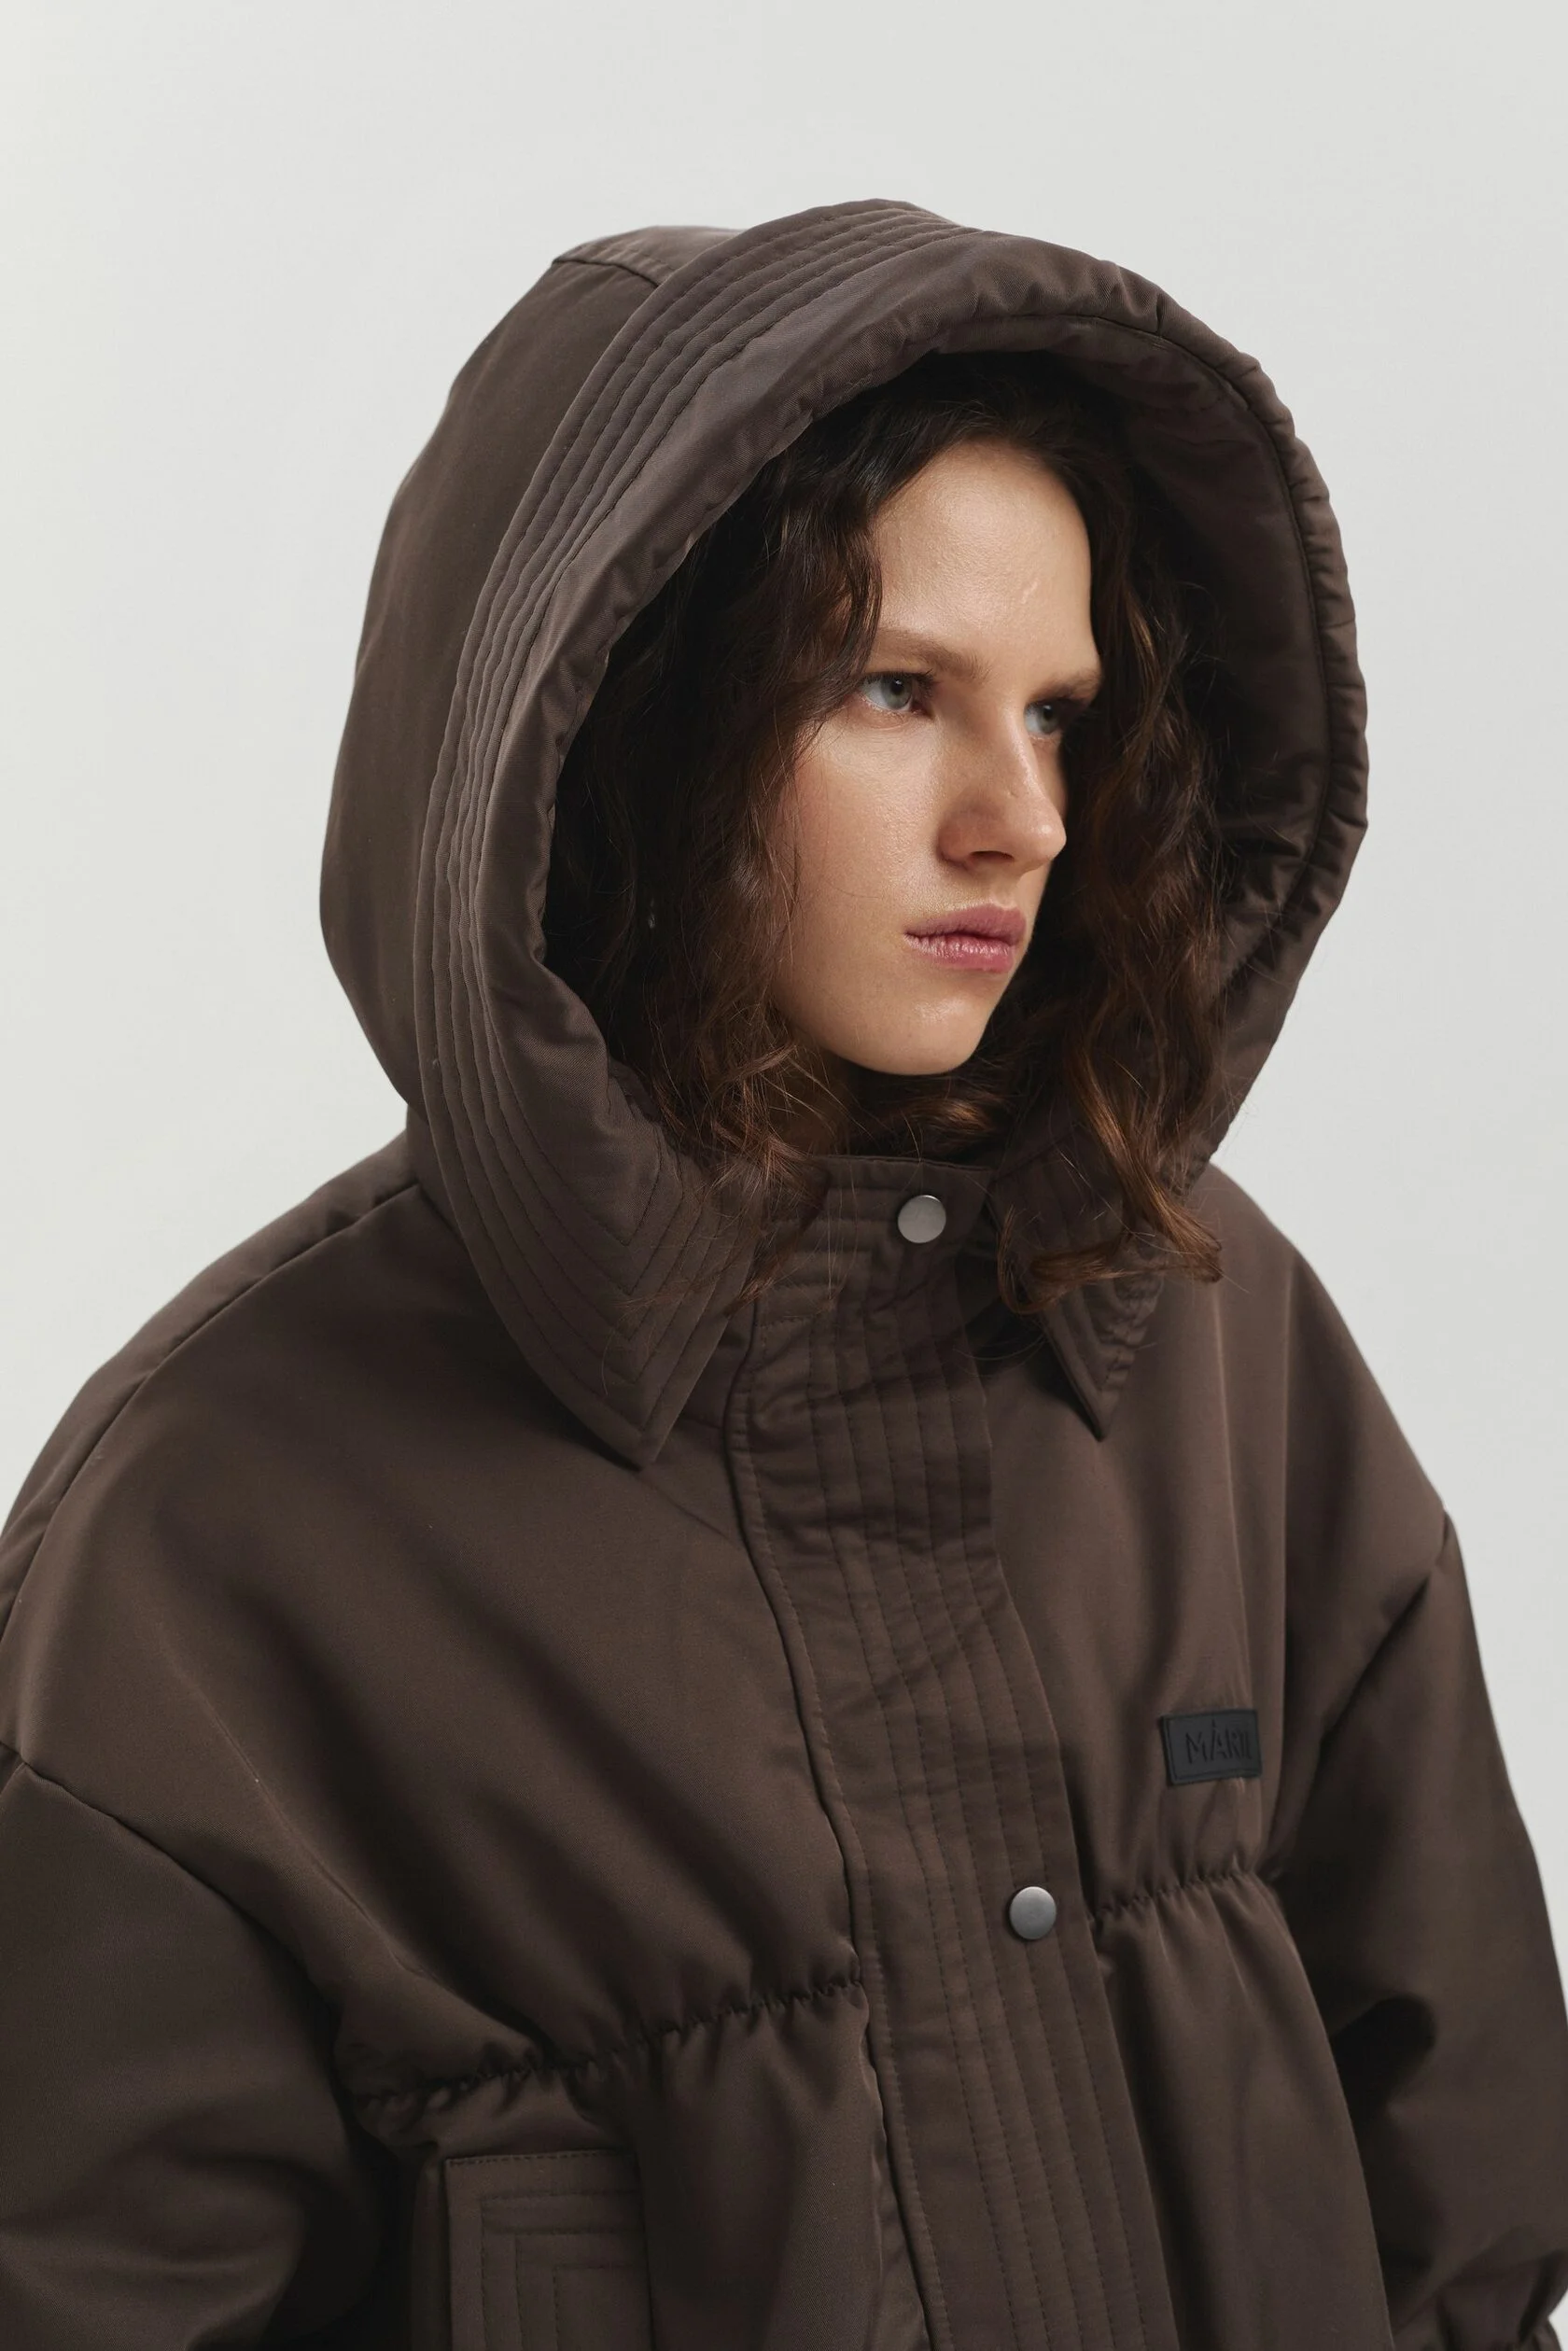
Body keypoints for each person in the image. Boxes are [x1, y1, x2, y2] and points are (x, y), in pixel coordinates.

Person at [0, 200, 1563, 2351]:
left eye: (1063, 712)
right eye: (896, 689)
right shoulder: (214, 1534)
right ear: (621, 718)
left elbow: (1468, 2201)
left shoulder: (1214, 1336)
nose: (1021, 816)